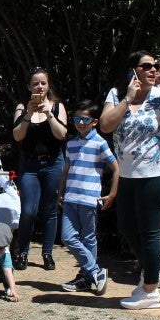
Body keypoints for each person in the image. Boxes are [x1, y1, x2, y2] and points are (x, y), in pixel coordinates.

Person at [100, 50, 160, 310]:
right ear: (133, 70)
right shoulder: (117, 94)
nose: (153, 69)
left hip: (156, 173)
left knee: (149, 232)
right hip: (128, 174)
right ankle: (154, 272)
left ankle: (150, 291)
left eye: (155, 65)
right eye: (146, 66)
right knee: (126, 227)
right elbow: (106, 125)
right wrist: (128, 99)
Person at [58, 101, 118, 294]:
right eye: (77, 119)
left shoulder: (100, 143)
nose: (81, 123)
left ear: (94, 122)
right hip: (70, 197)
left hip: (89, 198)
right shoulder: (71, 144)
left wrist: (112, 194)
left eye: (85, 119)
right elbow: (66, 170)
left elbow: (116, 168)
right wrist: (61, 191)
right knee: (67, 237)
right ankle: (95, 271)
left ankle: (86, 278)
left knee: (88, 238)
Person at [11, 67, 68, 270]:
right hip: (30, 165)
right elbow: (17, 136)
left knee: (50, 209)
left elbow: (62, 134)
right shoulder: (22, 107)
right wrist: (28, 114)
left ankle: (47, 253)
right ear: (29, 87)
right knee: (28, 210)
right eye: (35, 83)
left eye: (43, 83)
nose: (40, 87)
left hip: (53, 164)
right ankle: (23, 252)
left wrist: (49, 114)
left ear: (48, 85)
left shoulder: (57, 106)